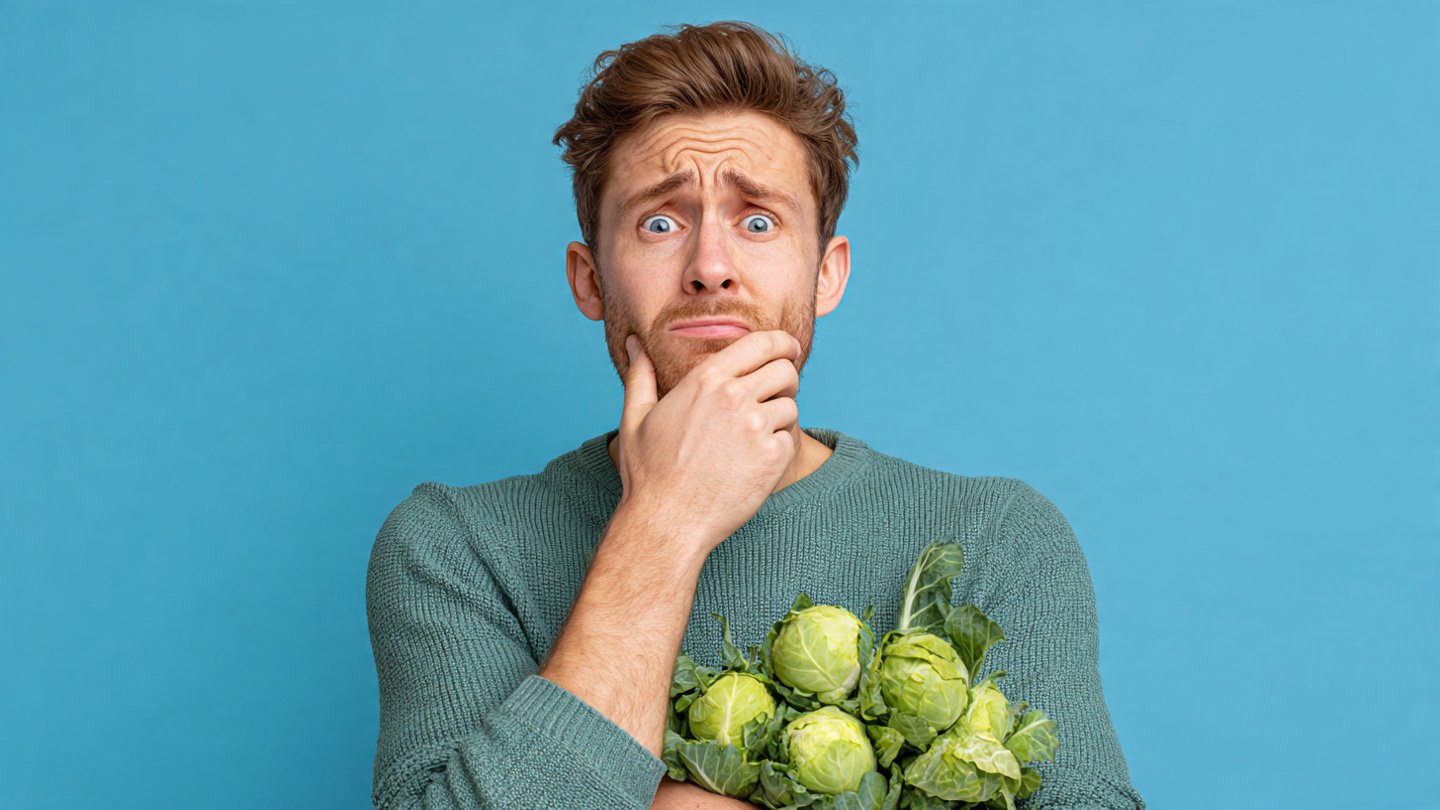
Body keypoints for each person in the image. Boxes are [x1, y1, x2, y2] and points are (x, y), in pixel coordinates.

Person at [366, 20, 1144, 810]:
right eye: (660, 222)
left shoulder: (994, 538)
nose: (710, 268)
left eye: (759, 221)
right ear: (590, 278)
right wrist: (663, 521)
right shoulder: (455, 550)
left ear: (826, 274)